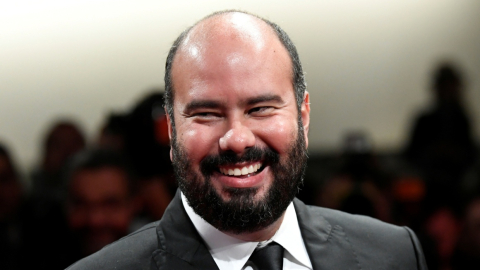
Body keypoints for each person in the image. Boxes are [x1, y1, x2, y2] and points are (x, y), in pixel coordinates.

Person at [67, 10, 428, 270]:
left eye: (260, 108)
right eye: (206, 113)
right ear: (172, 129)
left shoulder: (394, 254)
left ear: (303, 116)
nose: (237, 139)